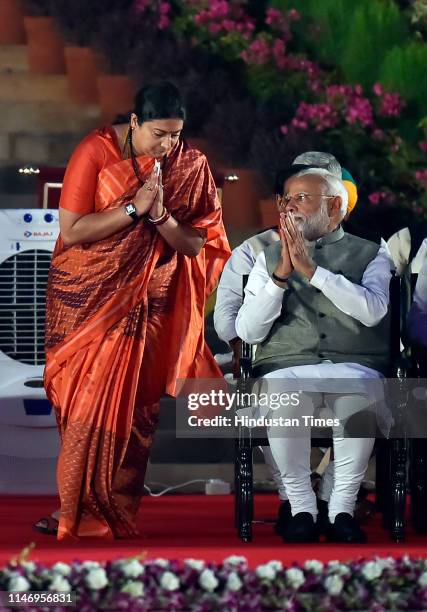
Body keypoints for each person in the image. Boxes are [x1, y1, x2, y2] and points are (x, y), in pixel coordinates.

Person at [35, 82, 230, 540]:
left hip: (149, 303)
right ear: (136, 122)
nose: (168, 145)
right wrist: (134, 207)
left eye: (176, 135)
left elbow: (198, 244)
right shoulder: (96, 151)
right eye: (159, 134)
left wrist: (161, 217)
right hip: (86, 296)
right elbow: (74, 230)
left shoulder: (190, 166)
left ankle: (110, 511)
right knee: (84, 403)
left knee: (134, 412)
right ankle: (76, 508)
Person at [235, 167, 393, 543]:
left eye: (302, 199)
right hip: (286, 366)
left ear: (334, 206)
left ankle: (341, 511)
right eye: (286, 199)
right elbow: (248, 332)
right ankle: (302, 508)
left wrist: (313, 270)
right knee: (284, 397)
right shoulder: (267, 257)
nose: (291, 208)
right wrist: (281, 276)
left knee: (357, 400)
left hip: (355, 366)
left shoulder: (373, 253)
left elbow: (372, 310)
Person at [213, 152, 359, 530]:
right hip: (271, 361)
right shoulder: (255, 252)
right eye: (298, 192)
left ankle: (329, 498)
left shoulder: (360, 252)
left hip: (339, 364)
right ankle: (289, 497)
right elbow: (228, 324)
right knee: (267, 392)